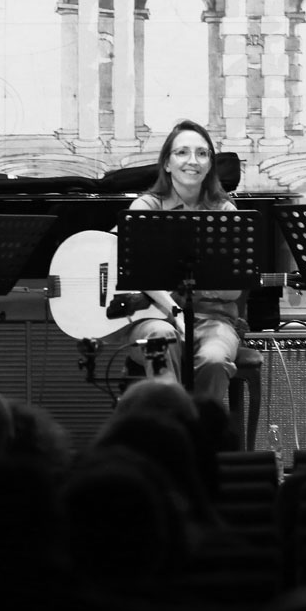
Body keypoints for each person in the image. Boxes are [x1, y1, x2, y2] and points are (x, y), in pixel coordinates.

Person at [105, 119, 242, 404]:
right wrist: (176, 311)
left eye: (202, 153)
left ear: (210, 164)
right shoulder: (146, 206)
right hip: (153, 316)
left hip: (213, 320)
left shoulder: (225, 210)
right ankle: (170, 433)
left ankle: (203, 439)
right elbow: (134, 267)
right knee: (160, 336)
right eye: (182, 152)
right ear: (166, 163)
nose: (193, 161)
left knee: (215, 358)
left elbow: (233, 291)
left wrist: (199, 291)